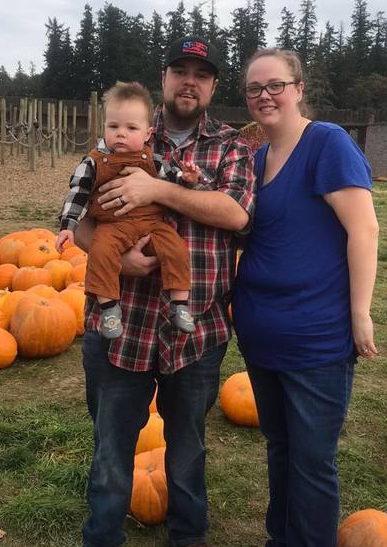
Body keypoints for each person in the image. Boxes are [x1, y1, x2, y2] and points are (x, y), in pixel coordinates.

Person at [74, 36, 255, 547]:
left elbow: (236, 213)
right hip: (121, 328)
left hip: (196, 329)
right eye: (180, 71)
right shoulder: (122, 134)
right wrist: (118, 261)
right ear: (164, 79)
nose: (189, 82)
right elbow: (81, 221)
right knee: (111, 452)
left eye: (201, 74)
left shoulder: (231, 146)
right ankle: (102, 538)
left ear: (213, 86)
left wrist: (156, 189)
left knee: (187, 451)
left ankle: (187, 538)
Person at [232, 48, 379, 547]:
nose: (264, 96)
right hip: (261, 333)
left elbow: (364, 230)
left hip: (315, 337)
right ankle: (281, 538)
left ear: (298, 89)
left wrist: (360, 313)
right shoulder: (256, 159)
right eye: (254, 88)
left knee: (312, 461)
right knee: (279, 447)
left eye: (275, 85)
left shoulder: (327, 143)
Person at [56, 81, 200, 338]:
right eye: (114, 127)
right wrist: (68, 226)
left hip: (151, 224)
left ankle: (180, 303)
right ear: (104, 127)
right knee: (101, 251)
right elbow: (77, 193)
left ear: (147, 133)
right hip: (112, 226)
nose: (121, 134)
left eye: (131, 128)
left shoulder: (153, 160)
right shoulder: (93, 162)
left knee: (176, 248)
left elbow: (172, 180)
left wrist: (186, 178)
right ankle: (109, 309)